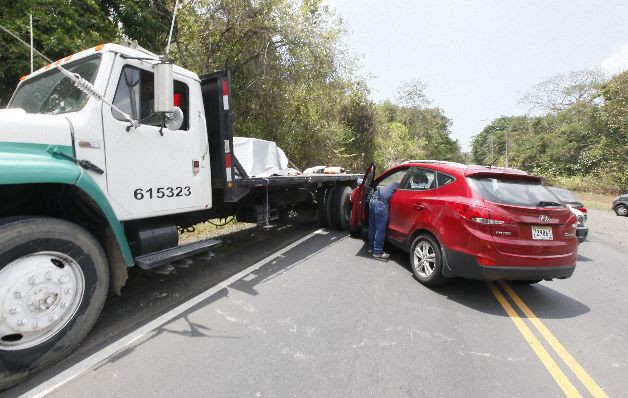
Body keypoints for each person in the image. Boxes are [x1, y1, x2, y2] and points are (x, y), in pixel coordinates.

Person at [368, 181, 400, 259]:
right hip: (380, 204)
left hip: (372, 201)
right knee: (380, 229)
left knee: (372, 227)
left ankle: (371, 248)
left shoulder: (389, 185)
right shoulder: (399, 187)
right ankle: (378, 252)